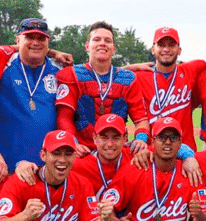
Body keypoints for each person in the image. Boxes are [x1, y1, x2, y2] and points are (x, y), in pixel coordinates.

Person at [55, 21, 149, 154]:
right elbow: (64, 117)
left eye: (108, 40)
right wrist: (73, 143)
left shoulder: (128, 79)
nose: (102, 43)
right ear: (87, 46)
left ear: (114, 48)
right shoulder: (71, 75)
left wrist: (140, 139)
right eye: (97, 39)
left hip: (116, 152)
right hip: (83, 151)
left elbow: (141, 120)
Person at [0, 17, 62, 170]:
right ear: (18, 40)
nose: (36, 43)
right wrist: (54, 52)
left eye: (41, 38)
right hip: (6, 167)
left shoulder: (60, 72)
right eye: (29, 37)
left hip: (47, 170)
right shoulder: (1, 67)